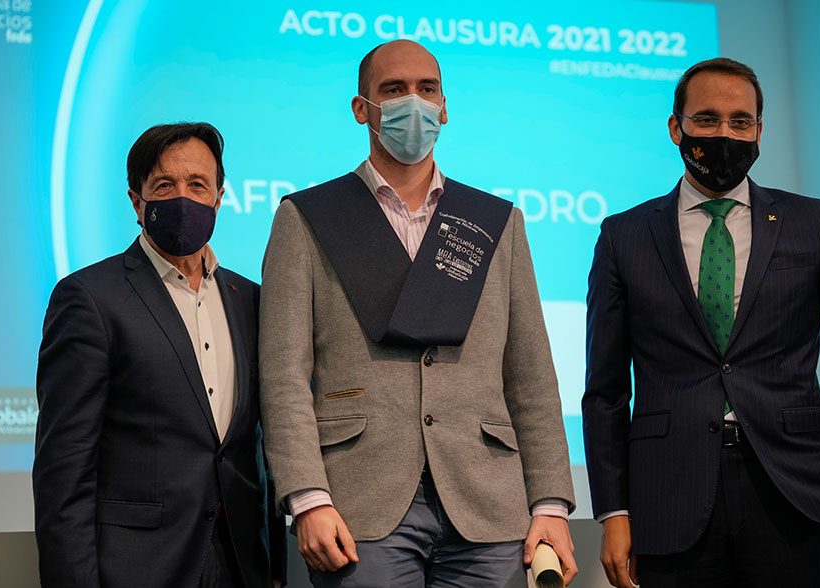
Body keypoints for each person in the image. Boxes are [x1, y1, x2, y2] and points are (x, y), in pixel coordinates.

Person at [259, 40, 577, 587]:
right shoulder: (306, 218)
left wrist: (550, 501)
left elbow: (531, 373)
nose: (414, 102)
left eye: (427, 89)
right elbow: (283, 373)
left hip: (486, 502)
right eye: (394, 89)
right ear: (362, 109)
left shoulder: (497, 222)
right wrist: (307, 497)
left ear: (444, 107)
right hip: (359, 502)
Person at [583, 57, 820, 588]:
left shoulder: (813, 223)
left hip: (792, 491)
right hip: (668, 497)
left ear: (759, 131)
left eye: (741, 122)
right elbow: (606, 391)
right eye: (707, 119)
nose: (725, 135)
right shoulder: (624, 236)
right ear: (676, 128)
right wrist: (614, 511)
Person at [33, 122, 286, 588]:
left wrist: (275, 570)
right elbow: (64, 468)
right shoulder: (90, 298)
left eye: (198, 185)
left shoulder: (251, 300)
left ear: (219, 198)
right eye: (165, 185)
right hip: (137, 568)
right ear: (137, 201)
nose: (183, 198)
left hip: (242, 563)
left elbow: (260, 446)